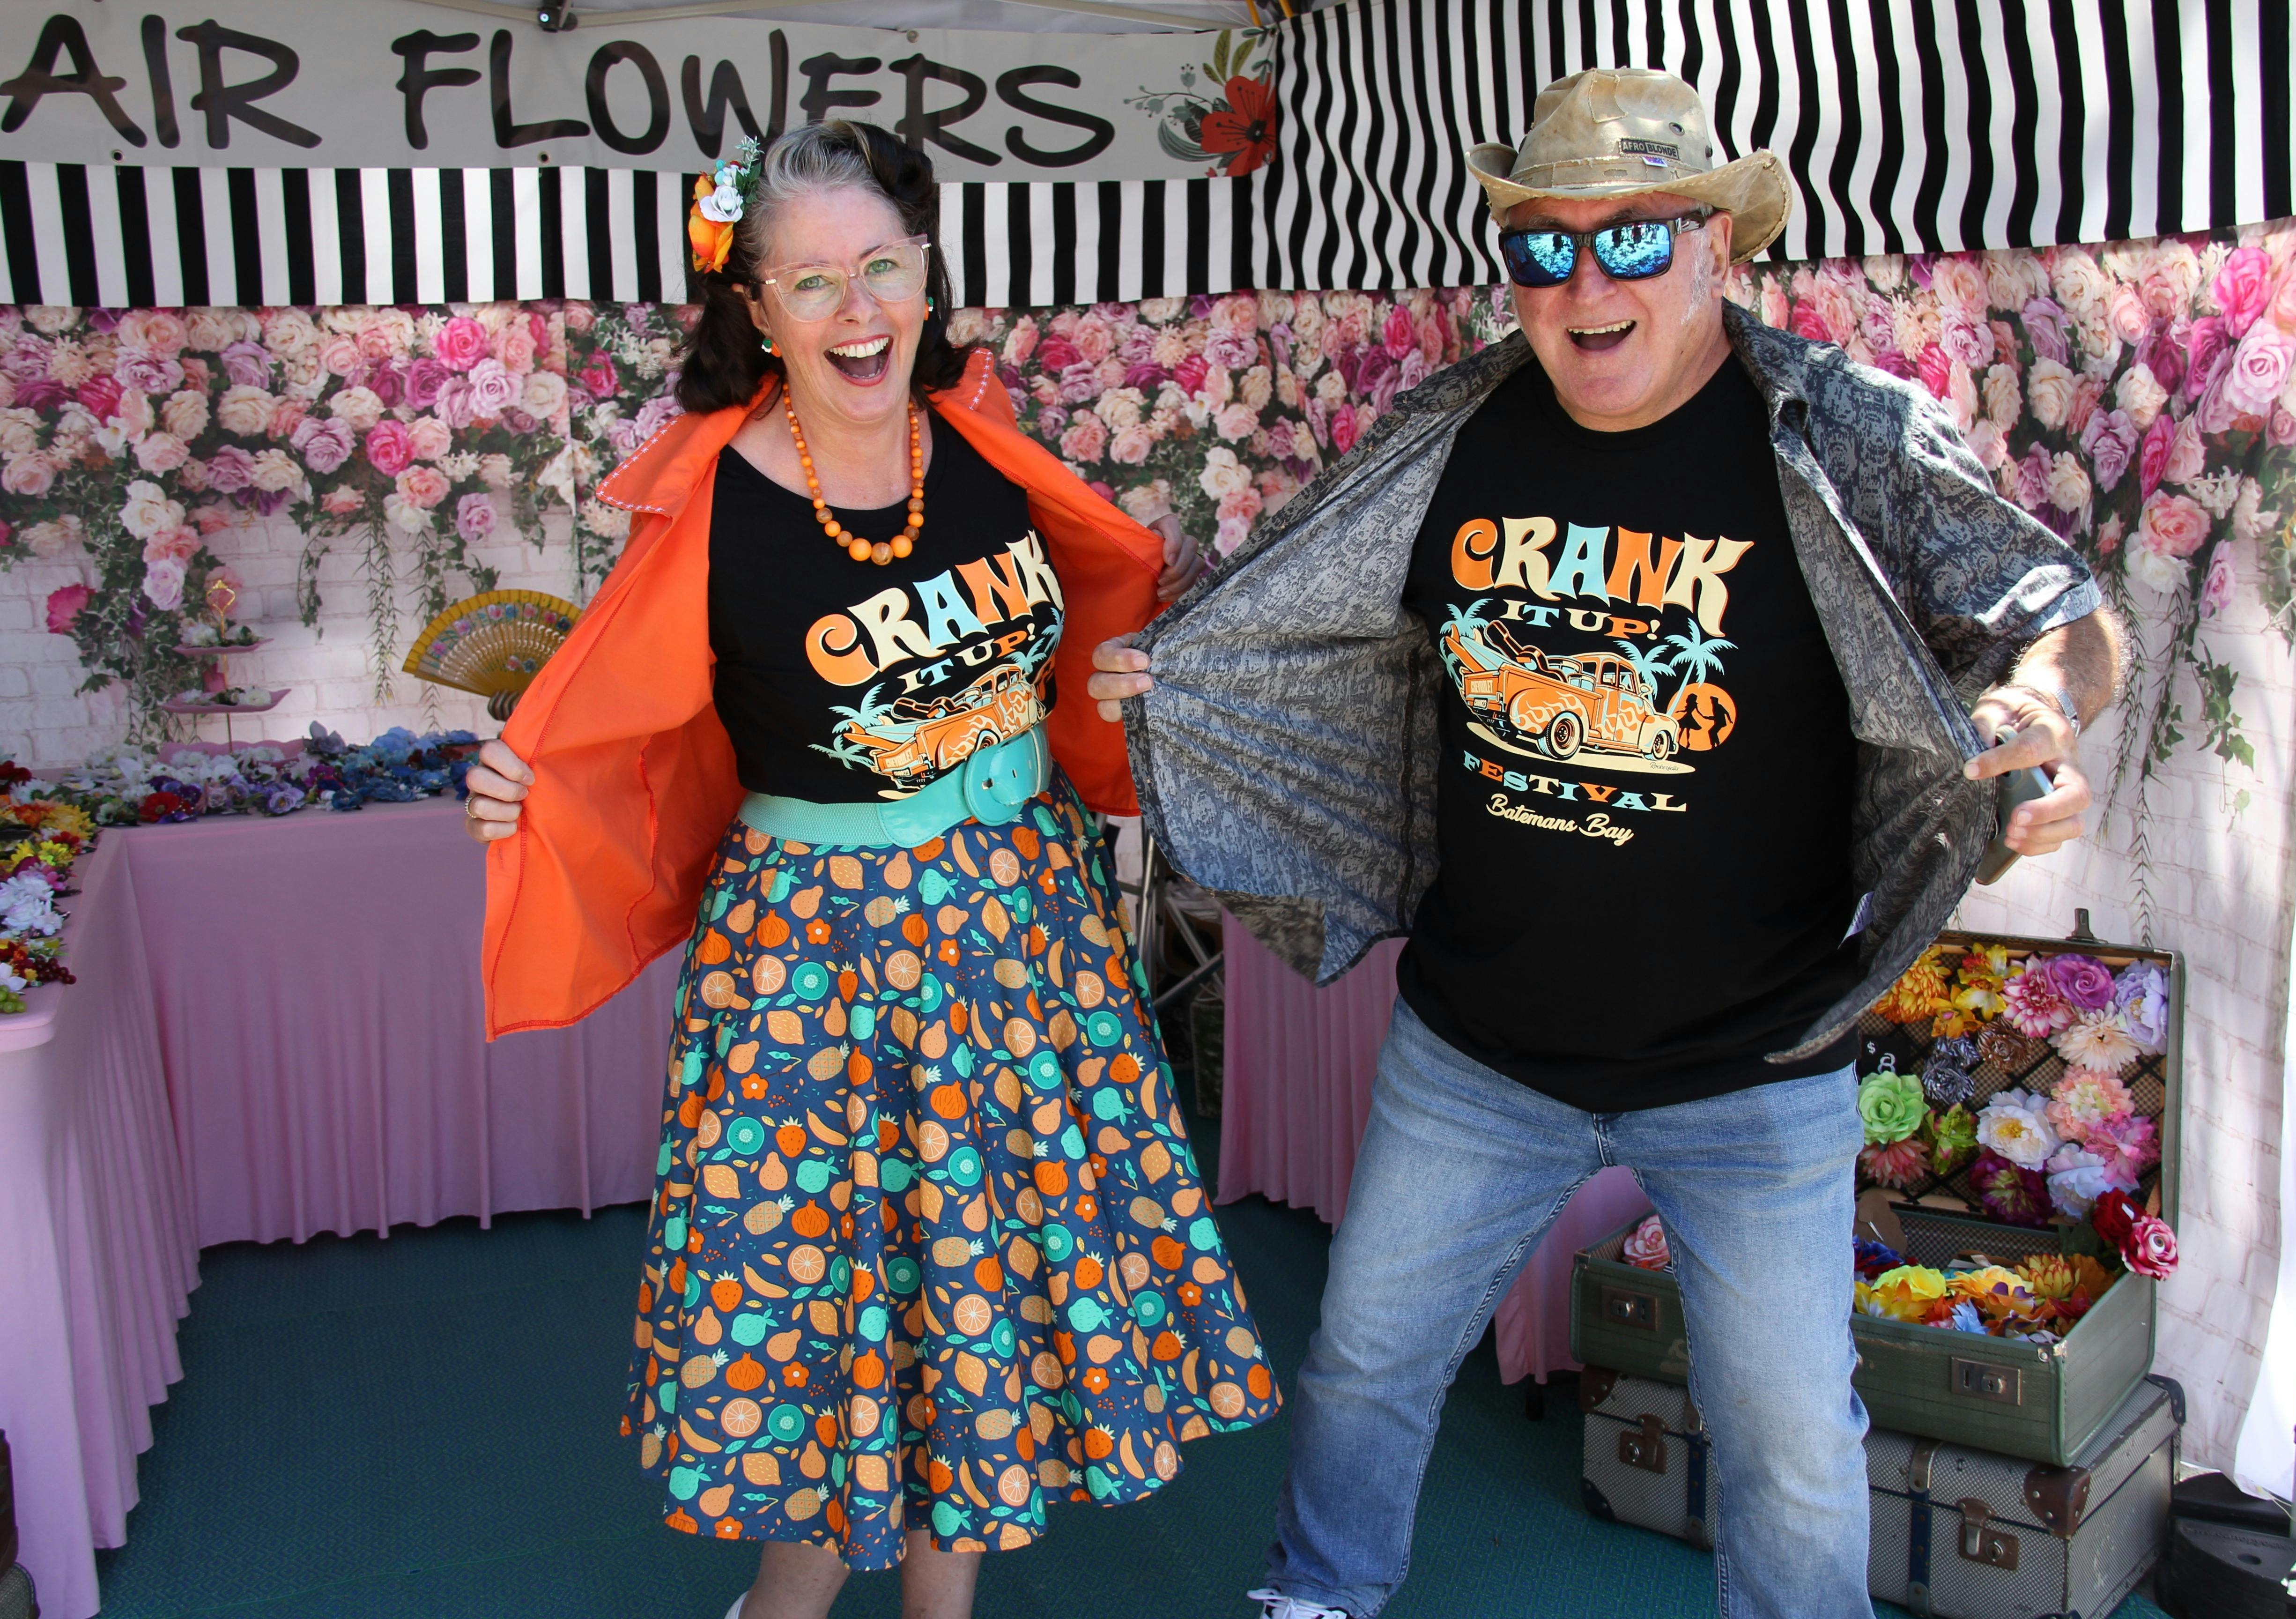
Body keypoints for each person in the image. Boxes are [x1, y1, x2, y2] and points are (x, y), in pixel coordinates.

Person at [1091, 68, 2124, 1619]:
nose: (1585, 285)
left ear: (1719, 245)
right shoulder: (1448, 433)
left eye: (1634, 241)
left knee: (1788, 1443)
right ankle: (1317, 1597)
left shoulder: (1835, 431)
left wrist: (2043, 706)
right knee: (1366, 1363)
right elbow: (1302, 629)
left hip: (1757, 1069)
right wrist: (1183, 684)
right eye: (1546, 246)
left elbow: (2064, 614)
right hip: (1479, 1049)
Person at [464, 121, 1279, 1619]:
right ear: (757, 309)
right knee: (837, 1311)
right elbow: (616, 722)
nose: (860, 312)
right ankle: (785, 1609)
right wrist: (531, 780)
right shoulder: (706, 510)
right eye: (815, 280)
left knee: (979, 1283)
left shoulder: (979, 443)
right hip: (816, 972)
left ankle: (940, 1610)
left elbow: (1081, 636)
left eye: (885, 268)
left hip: (1024, 935)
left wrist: (1122, 688)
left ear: (926, 278)